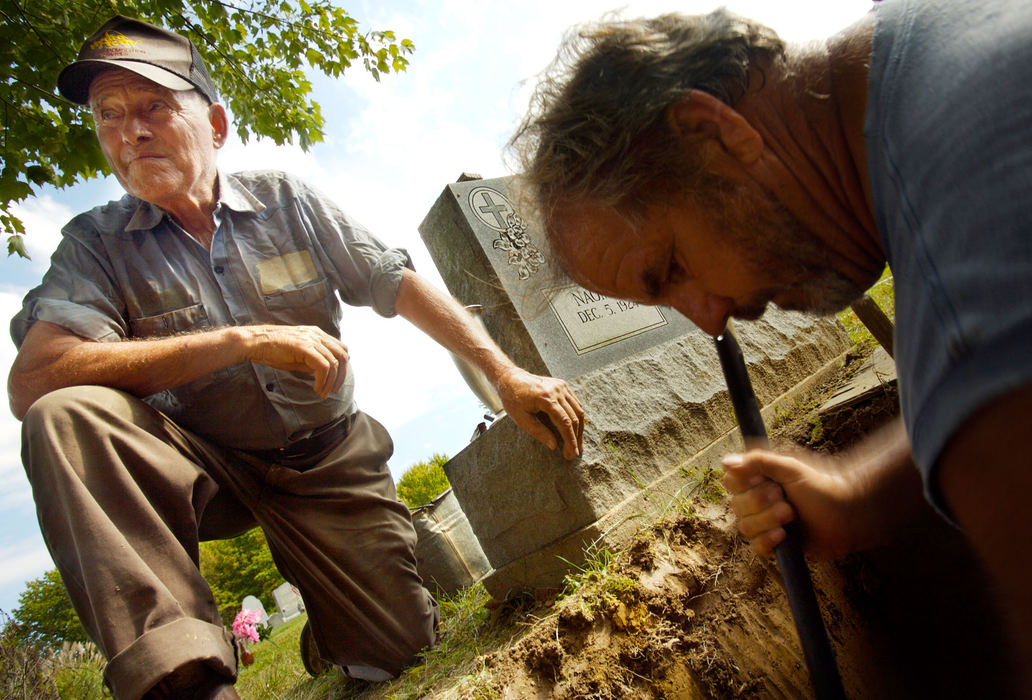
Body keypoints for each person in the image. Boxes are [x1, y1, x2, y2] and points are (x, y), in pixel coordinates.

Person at [8, 15, 584, 700]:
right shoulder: (93, 245)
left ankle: (332, 629)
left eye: (153, 107)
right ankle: (186, 679)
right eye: (108, 115)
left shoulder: (288, 200)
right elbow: (36, 377)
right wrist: (236, 341)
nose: (128, 132)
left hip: (325, 458)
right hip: (204, 468)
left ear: (215, 124)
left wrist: (506, 375)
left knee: (400, 650)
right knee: (68, 416)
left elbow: (395, 282)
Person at [510, 0, 1032, 694]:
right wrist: (861, 492)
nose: (709, 321)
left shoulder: (967, 246)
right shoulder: (936, 50)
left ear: (714, 134)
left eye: (669, 270)